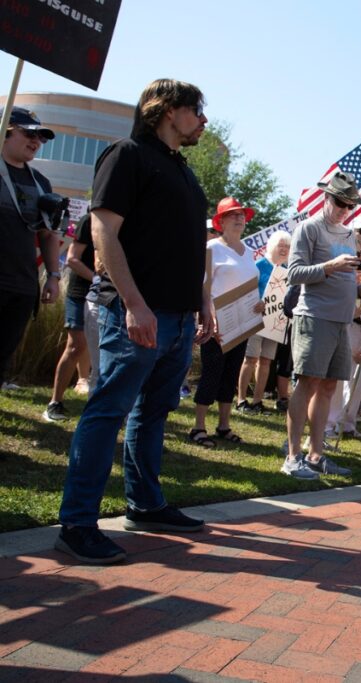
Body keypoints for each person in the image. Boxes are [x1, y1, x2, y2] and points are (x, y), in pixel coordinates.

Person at [56, 79, 213, 564]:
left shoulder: (183, 171)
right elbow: (103, 230)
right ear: (167, 110)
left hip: (180, 318)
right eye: (196, 111)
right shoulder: (126, 155)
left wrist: (201, 306)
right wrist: (133, 303)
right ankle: (77, 523)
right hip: (138, 313)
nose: (203, 121)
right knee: (108, 411)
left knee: (153, 412)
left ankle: (145, 505)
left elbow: (190, 247)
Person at [282, 172, 361, 479]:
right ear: (327, 198)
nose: (345, 210)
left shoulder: (348, 235)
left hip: (341, 320)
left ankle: (316, 454)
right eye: (341, 203)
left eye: (350, 205)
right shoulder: (308, 228)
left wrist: (360, 289)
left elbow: (346, 277)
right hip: (314, 316)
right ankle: (292, 456)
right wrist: (331, 266)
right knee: (307, 382)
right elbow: (294, 273)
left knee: (328, 386)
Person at [190, 198, 262, 448]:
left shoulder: (249, 251)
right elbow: (203, 285)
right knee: (212, 372)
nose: (239, 218)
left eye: (242, 214)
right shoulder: (212, 248)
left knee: (230, 374)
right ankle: (198, 426)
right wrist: (208, 316)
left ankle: (223, 425)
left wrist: (259, 304)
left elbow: (251, 285)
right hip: (217, 324)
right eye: (233, 215)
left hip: (242, 323)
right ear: (220, 221)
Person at [0, 106, 61, 389]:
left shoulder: (41, 183)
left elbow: (49, 234)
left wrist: (53, 276)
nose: (36, 141)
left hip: (22, 285)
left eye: (41, 137)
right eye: (28, 133)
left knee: (4, 353)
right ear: (5, 131)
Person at [327, 215, 361, 438]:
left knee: (358, 375)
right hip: (344, 320)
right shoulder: (343, 257)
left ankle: (349, 422)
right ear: (352, 233)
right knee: (340, 373)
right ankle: (332, 422)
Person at [43, 218, 96, 421]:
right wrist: (97, 278)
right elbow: (73, 259)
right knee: (76, 345)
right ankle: (54, 403)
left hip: (105, 295)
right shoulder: (89, 221)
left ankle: (99, 407)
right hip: (80, 292)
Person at [237, 229, 290, 414]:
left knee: (266, 361)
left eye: (287, 246)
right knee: (250, 358)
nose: (283, 249)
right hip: (255, 319)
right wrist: (255, 302)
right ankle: (242, 400)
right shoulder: (259, 265)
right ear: (271, 247)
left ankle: (258, 401)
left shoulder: (287, 272)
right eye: (280, 245)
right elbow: (245, 291)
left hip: (275, 323)